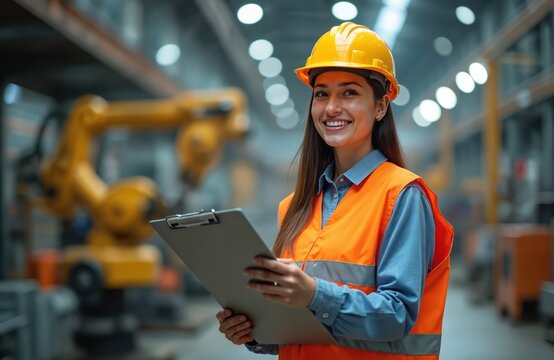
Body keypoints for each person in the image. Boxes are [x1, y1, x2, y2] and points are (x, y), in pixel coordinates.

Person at [216, 22, 454, 359]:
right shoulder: (294, 207)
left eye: (350, 92)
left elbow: (397, 316)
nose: (331, 107)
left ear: (381, 106)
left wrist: (314, 295)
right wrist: (255, 331)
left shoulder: (401, 195)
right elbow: (298, 327)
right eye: (322, 93)